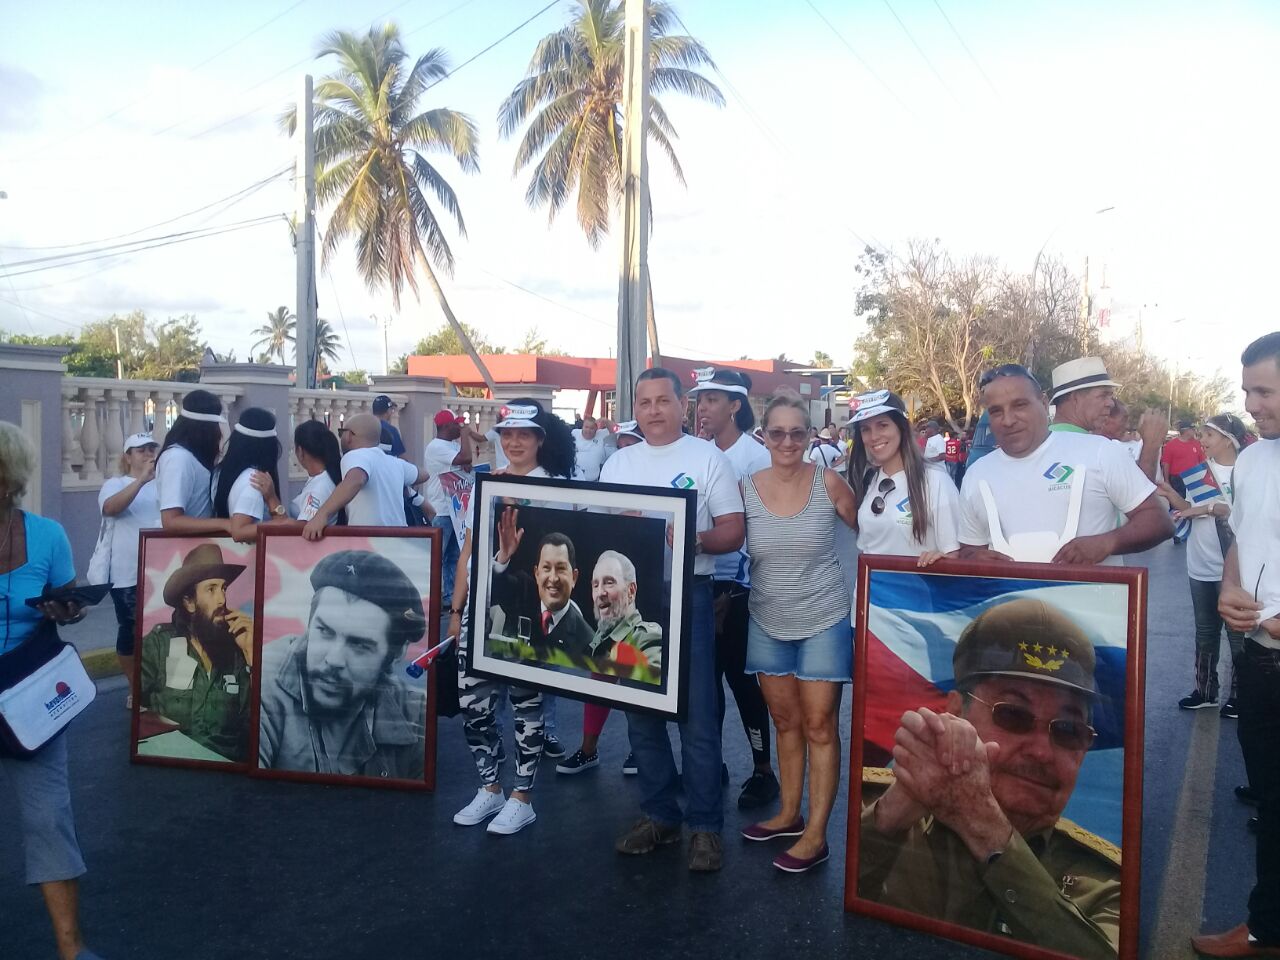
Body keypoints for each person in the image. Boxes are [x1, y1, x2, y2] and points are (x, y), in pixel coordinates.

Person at [858, 597, 1120, 959]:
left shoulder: (1107, 886)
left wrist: (984, 827)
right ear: (955, 713)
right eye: (1013, 715)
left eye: (1068, 730)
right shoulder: (873, 808)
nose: (1042, 752)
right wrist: (891, 817)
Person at [602, 368, 744, 872]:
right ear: (635, 408)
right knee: (640, 713)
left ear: (684, 405)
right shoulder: (618, 463)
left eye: (663, 400)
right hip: (631, 602)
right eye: (644, 402)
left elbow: (733, 531)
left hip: (690, 595)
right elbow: (599, 529)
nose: (654, 410)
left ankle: (705, 826)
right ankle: (659, 815)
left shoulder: (707, 459)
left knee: (697, 716)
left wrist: (693, 539)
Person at [0, 423, 107, 960]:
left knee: (49, 817)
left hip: (27, 695)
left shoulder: (46, 535)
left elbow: (66, 599)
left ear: (9, 479)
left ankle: (71, 947)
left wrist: (67, 609)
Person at [739, 393, 858, 873]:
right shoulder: (745, 488)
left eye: (796, 432)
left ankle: (816, 836)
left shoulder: (829, 483)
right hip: (767, 619)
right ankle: (789, 814)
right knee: (784, 721)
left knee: (820, 726)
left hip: (824, 618)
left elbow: (876, 534)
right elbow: (719, 537)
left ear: (810, 436)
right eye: (777, 432)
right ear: (763, 436)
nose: (787, 441)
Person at [449, 399, 576, 836]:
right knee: (474, 706)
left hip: (527, 617)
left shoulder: (558, 489)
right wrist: (456, 610)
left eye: (524, 434)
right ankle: (490, 787)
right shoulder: (485, 484)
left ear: (541, 439)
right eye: (507, 434)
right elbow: (467, 551)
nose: (515, 442)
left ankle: (522, 797)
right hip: (479, 613)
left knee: (527, 705)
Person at [1193, 332, 1280, 959]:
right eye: (1248, 390)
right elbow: (1241, 542)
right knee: (1272, 802)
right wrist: (1229, 586)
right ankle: (1268, 928)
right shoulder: (1253, 461)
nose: (1251, 405)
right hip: (1259, 662)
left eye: (1265, 392)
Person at [957, 364, 1171, 565]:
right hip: (1007, 595)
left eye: (1020, 405)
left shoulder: (1099, 452)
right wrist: (975, 559)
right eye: (996, 411)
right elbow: (969, 549)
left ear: (1043, 404)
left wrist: (1107, 543)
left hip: (1092, 594)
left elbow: (1159, 521)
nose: (1008, 420)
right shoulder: (977, 474)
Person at [688, 367, 779, 810]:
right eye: (699, 400)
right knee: (704, 685)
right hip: (701, 580)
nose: (701, 408)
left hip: (741, 588)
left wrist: (735, 591)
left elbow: (762, 531)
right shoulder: (699, 453)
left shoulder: (756, 458)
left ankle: (763, 771)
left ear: (735, 405)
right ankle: (712, 763)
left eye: (711, 400)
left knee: (743, 682)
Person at [257, 550, 428, 778]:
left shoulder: (413, 712)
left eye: (359, 645)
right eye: (325, 631)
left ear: (396, 653)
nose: (334, 659)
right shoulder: (261, 681)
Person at [557, 419, 646, 776]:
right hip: (613, 578)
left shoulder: (659, 468)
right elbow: (595, 518)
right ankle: (588, 749)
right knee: (604, 667)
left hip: (647, 578)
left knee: (641, 670)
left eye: (630, 442)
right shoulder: (614, 468)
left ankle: (642, 750)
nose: (624, 447)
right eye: (620, 443)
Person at [1156, 414, 1248, 715]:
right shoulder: (1200, 473)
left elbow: (1239, 514)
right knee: (1205, 631)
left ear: (1228, 440)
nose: (1202, 440)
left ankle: (1241, 695)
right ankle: (1205, 690)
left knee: (1237, 634)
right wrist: (1171, 495)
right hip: (1200, 563)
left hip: (1234, 568)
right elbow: (1189, 509)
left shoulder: (1247, 471)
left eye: (1209, 435)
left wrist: (1210, 508)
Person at [138, 544, 254, 762]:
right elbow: (137, 713)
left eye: (224, 589)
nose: (222, 600)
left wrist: (251, 655)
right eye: (211, 589)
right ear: (189, 602)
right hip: (173, 764)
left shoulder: (237, 651)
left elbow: (256, 727)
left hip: (225, 770)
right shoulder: (159, 645)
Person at [848, 390, 962, 563]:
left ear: (902, 427)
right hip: (872, 581)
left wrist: (942, 560)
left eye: (882, 425)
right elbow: (867, 549)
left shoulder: (935, 481)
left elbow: (954, 555)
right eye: (865, 429)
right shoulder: (868, 481)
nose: (874, 437)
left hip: (916, 581)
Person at [97, 433, 160, 706]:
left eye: (151, 448)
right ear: (128, 456)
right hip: (127, 574)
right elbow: (110, 508)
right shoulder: (115, 483)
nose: (147, 453)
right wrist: (141, 480)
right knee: (131, 630)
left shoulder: (163, 484)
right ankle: (136, 689)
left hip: (159, 570)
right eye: (140, 450)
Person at [302, 414, 428, 538]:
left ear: (349, 435)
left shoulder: (355, 455)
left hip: (370, 542)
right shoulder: (395, 462)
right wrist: (396, 480)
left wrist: (321, 515)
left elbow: (356, 480)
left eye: (341, 432)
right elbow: (424, 475)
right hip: (399, 540)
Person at [489, 521, 595, 658]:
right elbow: (494, 592)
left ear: (574, 577)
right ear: (536, 573)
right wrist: (503, 558)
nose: (553, 578)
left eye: (561, 568)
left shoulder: (587, 642)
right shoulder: (523, 591)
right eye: (546, 568)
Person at [425, 409, 487, 603]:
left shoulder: (451, 445)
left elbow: (466, 463)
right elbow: (465, 458)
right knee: (437, 557)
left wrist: (463, 450)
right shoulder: (436, 446)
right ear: (446, 426)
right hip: (442, 509)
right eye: (456, 424)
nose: (460, 427)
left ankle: (449, 597)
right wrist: (465, 435)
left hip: (456, 509)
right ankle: (428, 598)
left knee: (453, 556)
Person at [155, 390, 230, 536]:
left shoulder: (190, 457)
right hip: (182, 548)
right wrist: (224, 524)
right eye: (216, 427)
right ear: (204, 430)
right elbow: (171, 521)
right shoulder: (178, 458)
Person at [212, 407, 285, 544]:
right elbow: (239, 531)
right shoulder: (255, 481)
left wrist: (274, 501)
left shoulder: (223, 472)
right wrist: (283, 524)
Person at [585, 550, 663, 666]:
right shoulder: (596, 639)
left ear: (631, 591)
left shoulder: (647, 639)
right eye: (595, 585)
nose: (600, 593)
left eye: (609, 582)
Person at [282, 420, 342, 525]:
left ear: (300, 451)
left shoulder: (319, 488)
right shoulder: (323, 477)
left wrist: (272, 499)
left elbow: (303, 527)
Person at [1048, 357, 1119, 435]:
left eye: (1110, 396)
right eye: (1103, 395)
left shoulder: (1041, 439)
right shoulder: (1096, 443)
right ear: (1075, 398)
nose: (1111, 403)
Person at [1162, 419, 1208, 501]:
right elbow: (1166, 464)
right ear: (1186, 430)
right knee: (1178, 502)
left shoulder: (1197, 443)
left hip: (1195, 478)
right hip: (1178, 480)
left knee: (1195, 502)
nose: (1195, 431)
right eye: (1193, 429)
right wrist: (1166, 481)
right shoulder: (1171, 445)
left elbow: (1203, 461)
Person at [371, 394, 410, 461]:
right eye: (392, 410)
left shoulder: (364, 427)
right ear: (388, 411)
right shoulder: (391, 431)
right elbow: (401, 456)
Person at [572, 415, 610, 481]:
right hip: (574, 480)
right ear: (582, 426)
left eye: (591, 428)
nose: (588, 430)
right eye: (586, 427)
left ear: (596, 429)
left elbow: (616, 429)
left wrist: (605, 420)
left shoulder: (600, 434)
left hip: (593, 482)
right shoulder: (574, 433)